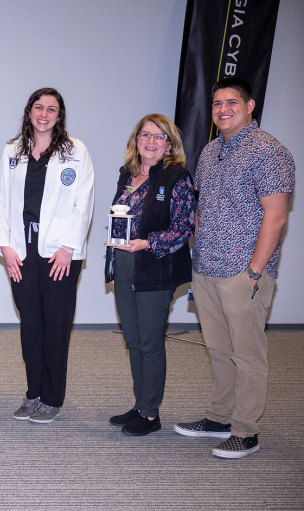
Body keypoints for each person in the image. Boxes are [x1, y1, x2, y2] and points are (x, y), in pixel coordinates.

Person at [174, 78, 295, 458]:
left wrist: (255, 272)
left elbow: (275, 217)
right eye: (216, 104)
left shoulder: (269, 152)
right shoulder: (211, 152)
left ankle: (246, 430)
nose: (223, 109)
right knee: (219, 349)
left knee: (247, 353)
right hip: (207, 267)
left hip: (244, 272)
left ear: (250, 105)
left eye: (231, 102)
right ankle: (219, 417)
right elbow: (204, 209)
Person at [0, 88, 94, 423]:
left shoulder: (76, 151)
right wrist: (5, 248)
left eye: (52, 109)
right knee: (30, 324)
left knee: (56, 324)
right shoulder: (12, 151)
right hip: (21, 250)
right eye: (39, 107)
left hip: (60, 254)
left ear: (59, 115)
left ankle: (51, 398)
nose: (44, 114)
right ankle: (32, 392)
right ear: (29, 112)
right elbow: (2, 201)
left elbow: (83, 203)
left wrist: (69, 248)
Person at [104, 114, 194, 436]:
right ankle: (140, 404)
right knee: (132, 340)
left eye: (159, 137)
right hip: (125, 265)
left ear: (169, 144)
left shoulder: (176, 178)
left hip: (155, 266)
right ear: (136, 140)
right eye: (146, 135)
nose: (151, 142)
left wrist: (149, 242)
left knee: (150, 342)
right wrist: (113, 264)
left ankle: (151, 414)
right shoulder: (126, 174)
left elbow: (183, 228)